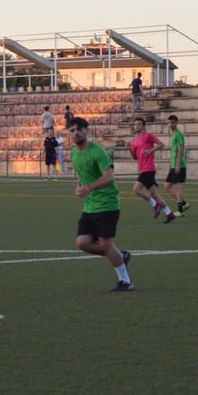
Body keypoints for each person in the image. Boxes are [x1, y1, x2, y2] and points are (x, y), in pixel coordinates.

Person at [67, 116, 134, 292]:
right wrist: (79, 187)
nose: (76, 133)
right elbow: (82, 175)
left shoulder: (98, 151)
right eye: (72, 130)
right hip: (90, 206)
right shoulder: (74, 153)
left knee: (106, 244)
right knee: (82, 243)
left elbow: (109, 176)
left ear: (86, 130)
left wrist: (89, 188)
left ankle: (125, 281)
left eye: (79, 129)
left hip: (108, 203)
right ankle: (120, 256)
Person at [129, 117, 176, 223]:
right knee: (154, 194)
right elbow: (135, 157)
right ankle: (169, 213)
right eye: (135, 124)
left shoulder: (148, 136)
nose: (136, 126)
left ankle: (155, 205)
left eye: (139, 124)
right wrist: (130, 150)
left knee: (136, 189)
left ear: (143, 126)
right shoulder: (134, 141)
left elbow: (161, 144)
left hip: (148, 169)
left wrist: (151, 150)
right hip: (143, 169)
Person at [166, 114, 189, 214]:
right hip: (174, 165)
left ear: (176, 123)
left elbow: (180, 150)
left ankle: (180, 210)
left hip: (179, 165)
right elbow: (174, 151)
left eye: (173, 122)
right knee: (166, 186)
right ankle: (183, 203)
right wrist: (172, 164)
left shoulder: (178, 134)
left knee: (178, 188)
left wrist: (178, 165)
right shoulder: (173, 134)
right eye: (169, 122)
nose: (170, 124)